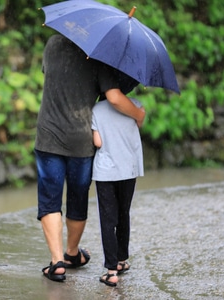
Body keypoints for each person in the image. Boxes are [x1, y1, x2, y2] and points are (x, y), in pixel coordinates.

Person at [35, 34, 145, 282]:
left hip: (49, 136)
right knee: (77, 196)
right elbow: (114, 97)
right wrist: (138, 114)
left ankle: (56, 263)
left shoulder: (52, 43)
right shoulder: (98, 58)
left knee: (50, 200)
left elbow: (54, 76)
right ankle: (72, 253)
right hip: (81, 141)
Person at [92, 97, 144, 287]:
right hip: (129, 169)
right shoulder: (136, 105)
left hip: (106, 171)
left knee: (108, 219)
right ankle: (122, 260)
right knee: (124, 213)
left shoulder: (96, 109)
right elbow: (138, 125)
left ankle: (111, 271)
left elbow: (97, 142)